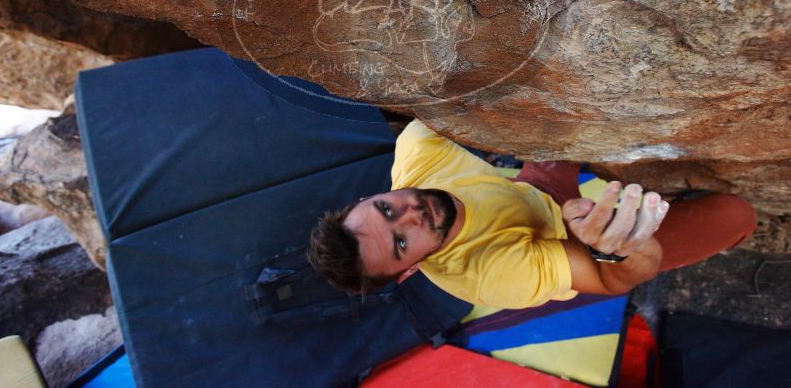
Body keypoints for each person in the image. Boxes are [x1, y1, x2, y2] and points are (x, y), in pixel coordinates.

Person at [308, 120, 757, 309]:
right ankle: (660, 213)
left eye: (386, 208)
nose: (411, 215)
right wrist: (619, 249)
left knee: (569, 110)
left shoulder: (416, 154)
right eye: (401, 242)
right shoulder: (492, 275)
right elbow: (611, 282)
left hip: (535, 192)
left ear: (372, 195)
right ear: (411, 271)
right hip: (567, 246)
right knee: (736, 215)